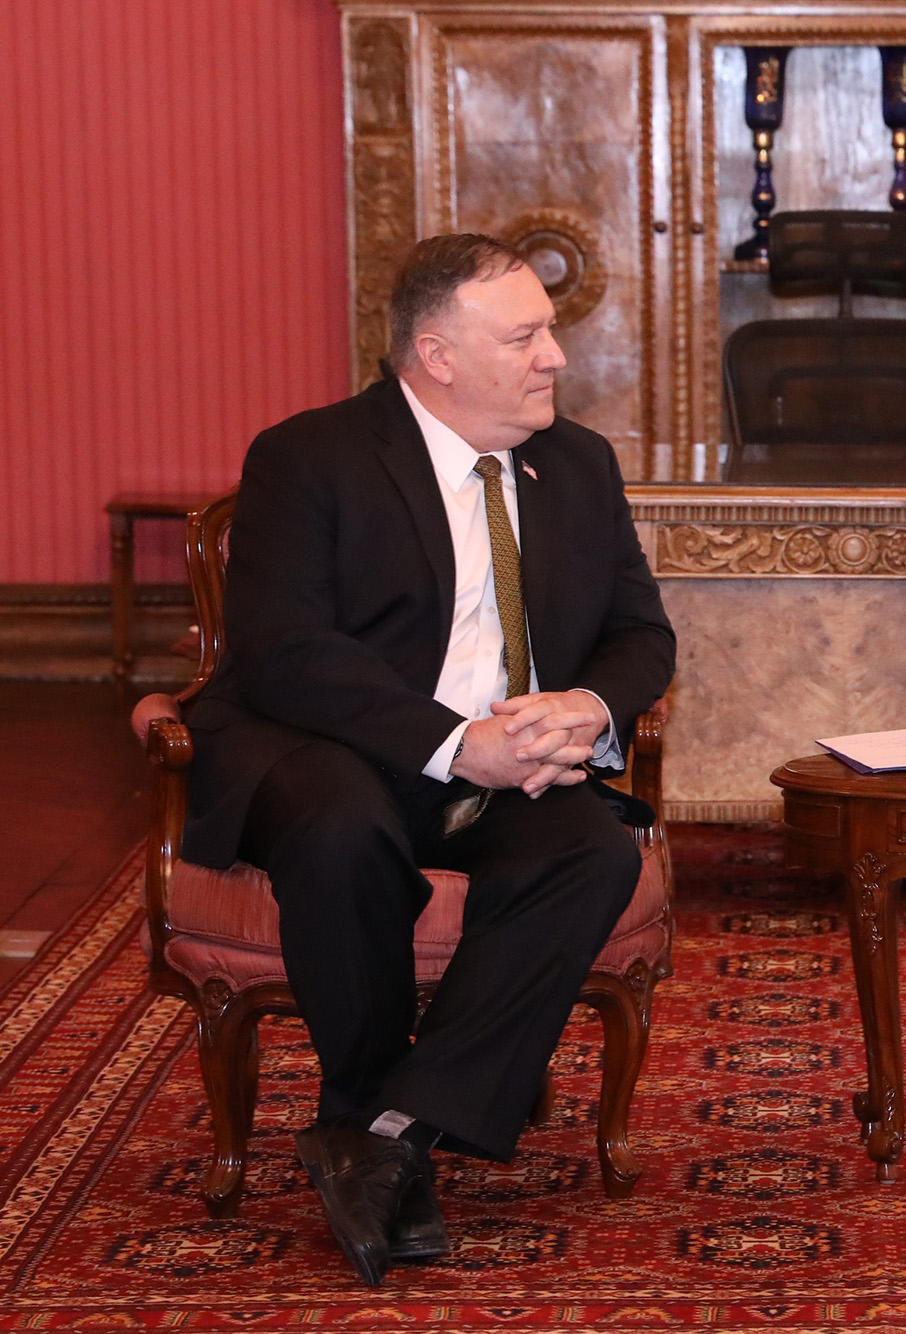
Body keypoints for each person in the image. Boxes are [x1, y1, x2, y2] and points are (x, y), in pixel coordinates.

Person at [183, 234, 676, 1285]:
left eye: (550, 333)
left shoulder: (578, 463)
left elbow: (641, 634)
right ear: (437, 355)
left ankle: (383, 1133)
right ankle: (366, 1101)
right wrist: (457, 745)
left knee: (590, 851)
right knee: (341, 826)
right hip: (327, 742)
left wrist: (584, 707)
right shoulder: (308, 456)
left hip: (511, 760)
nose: (555, 357)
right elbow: (286, 650)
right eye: (525, 336)